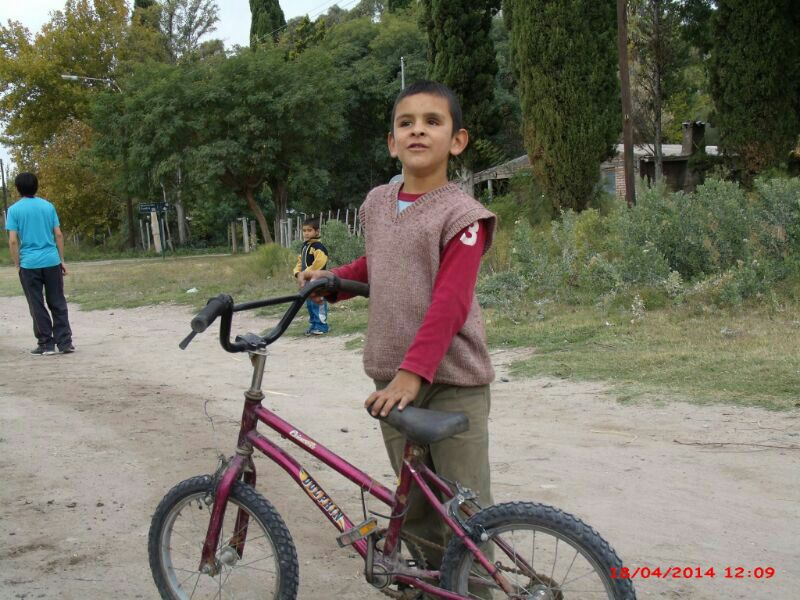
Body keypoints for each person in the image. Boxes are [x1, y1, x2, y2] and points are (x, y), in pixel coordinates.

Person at [298, 80, 497, 573]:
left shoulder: (465, 217)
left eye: (433, 122)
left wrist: (415, 373)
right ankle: (436, 585)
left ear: (457, 140)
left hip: (452, 382)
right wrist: (334, 280)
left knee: (466, 511)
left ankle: (481, 589)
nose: (417, 131)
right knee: (417, 513)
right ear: (391, 142)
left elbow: (450, 303)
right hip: (391, 380)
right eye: (406, 123)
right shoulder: (377, 204)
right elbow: (380, 263)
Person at [6, 172, 75, 355]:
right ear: (36, 186)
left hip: (29, 264)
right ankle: (65, 342)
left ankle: (46, 344)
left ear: (18, 188)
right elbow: (58, 234)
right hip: (51, 260)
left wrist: (17, 263)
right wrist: (61, 260)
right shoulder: (48, 206)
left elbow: (13, 241)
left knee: (36, 303)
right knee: (57, 301)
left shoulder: (14, 210)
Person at [293, 218, 330, 335]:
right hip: (307, 281)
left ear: (317, 231)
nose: (306, 233)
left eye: (309, 230)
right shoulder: (305, 247)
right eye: (304, 230)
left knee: (318, 302)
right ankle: (314, 324)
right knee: (310, 303)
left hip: (317, 281)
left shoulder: (318, 246)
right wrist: (298, 272)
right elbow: (300, 262)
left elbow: (320, 261)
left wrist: (308, 272)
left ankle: (322, 326)